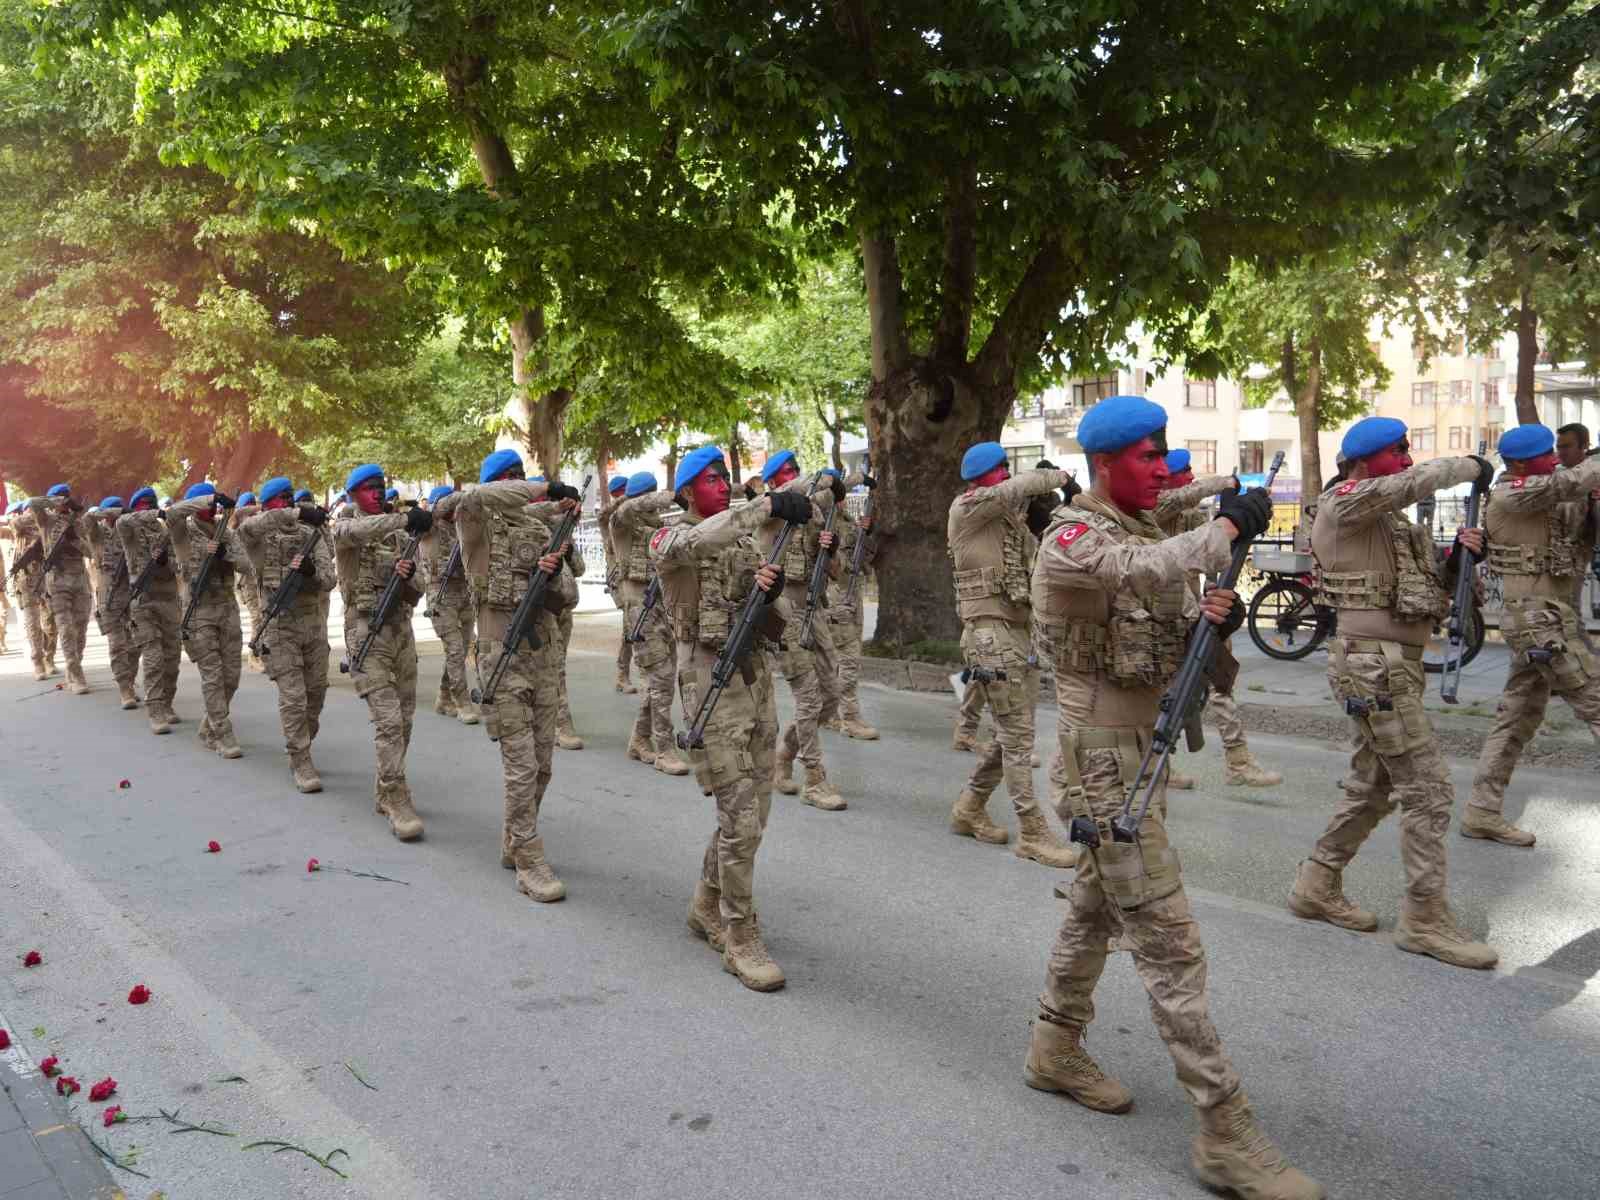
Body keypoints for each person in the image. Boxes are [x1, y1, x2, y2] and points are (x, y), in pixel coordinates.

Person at [1026, 394, 1321, 1200]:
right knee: (1169, 942)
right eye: (1147, 459)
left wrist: (1215, 623)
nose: (1161, 471)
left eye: (1165, 457)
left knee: (1094, 910)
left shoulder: (1148, 531)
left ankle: (1053, 1048)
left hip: (1135, 753)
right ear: (1105, 463)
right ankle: (1226, 1131)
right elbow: (1134, 572)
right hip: (1101, 765)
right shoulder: (1074, 534)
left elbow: (1166, 612)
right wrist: (1225, 529)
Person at [1286, 416, 1498, 970]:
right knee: (1427, 790)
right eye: (1397, 450)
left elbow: (1429, 591)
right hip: (1372, 666)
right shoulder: (1345, 503)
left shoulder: (1396, 526)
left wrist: (1459, 559)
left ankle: (1316, 883)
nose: (1406, 459)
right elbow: (1412, 482)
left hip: (1396, 667)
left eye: (1409, 450)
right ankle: (1425, 919)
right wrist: (1468, 468)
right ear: (1362, 461)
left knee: (1373, 786)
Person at [650, 445, 802, 990]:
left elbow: (771, 621)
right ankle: (740, 936)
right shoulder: (669, 539)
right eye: (712, 478)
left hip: (754, 679)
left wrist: (770, 596)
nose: (723, 483)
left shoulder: (739, 542)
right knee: (738, 816)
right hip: (709, 685)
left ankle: (705, 904)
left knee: (755, 812)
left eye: (726, 477)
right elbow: (700, 539)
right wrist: (767, 506)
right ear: (688, 490)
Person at [448, 450, 580, 900]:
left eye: (521, 477)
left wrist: (553, 575)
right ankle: (528, 857)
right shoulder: (475, 520)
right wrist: (544, 488)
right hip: (499, 650)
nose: (518, 484)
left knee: (542, 763)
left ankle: (514, 836)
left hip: (542, 652)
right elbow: (478, 495)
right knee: (521, 765)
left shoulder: (541, 529)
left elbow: (569, 596)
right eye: (511, 479)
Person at [1465, 424, 1600, 846]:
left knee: (1516, 718)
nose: (1555, 460)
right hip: (1539, 622)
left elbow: (1583, 525)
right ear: (1520, 463)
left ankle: (1482, 811)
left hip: (1555, 618)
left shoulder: (1549, 491)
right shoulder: (1513, 493)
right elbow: (1575, 478)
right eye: (1547, 455)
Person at [946, 444, 1075, 866]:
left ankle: (969, 808)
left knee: (1011, 735)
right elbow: (1018, 488)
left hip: (1019, 634)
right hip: (989, 637)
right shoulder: (968, 508)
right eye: (1000, 469)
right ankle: (1033, 833)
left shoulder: (1008, 521)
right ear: (980, 476)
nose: (1005, 475)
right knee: (1018, 739)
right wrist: (1060, 475)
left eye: (1007, 468)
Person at [1155, 449, 1282, 788]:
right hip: (1161, 619)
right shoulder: (1155, 508)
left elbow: (1213, 557)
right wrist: (1226, 482)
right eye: (1183, 472)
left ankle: (1237, 760)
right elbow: (1179, 496)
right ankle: (1158, 765)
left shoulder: (1188, 515)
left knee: (1219, 682)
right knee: (1163, 694)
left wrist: (1232, 521)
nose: (1190, 478)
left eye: (1190, 471)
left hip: (1197, 612)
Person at [334, 463, 429, 841]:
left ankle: (384, 786)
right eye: (368, 488)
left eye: (380, 487)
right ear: (353, 494)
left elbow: (419, 587)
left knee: (405, 719)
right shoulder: (344, 526)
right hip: (366, 632)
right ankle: (396, 798)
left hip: (401, 630)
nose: (377, 493)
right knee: (388, 721)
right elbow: (356, 533)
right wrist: (403, 521)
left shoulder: (397, 534)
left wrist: (407, 578)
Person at [235, 478, 337, 793]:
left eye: (290, 498)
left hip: (313, 624)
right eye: (281, 499)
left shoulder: (312, 535)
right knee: (293, 696)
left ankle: (300, 740)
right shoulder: (258, 534)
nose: (288, 503)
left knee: (316, 694)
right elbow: (245, 528)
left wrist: (311, 573)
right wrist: (295, 513)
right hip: (279, 626)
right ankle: (301, 758)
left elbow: (330, 580)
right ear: (267, 505)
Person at [763, 451, 848, 811]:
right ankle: (814, 777)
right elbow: (797, 492)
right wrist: (820, 480)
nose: (792, 478)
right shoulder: (767, 511)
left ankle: (785, 752)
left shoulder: (814, 518)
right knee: (809, 697)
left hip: (814, 608)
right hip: (782, 612)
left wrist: (831, 550)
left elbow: (837, 572)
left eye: (795, 472)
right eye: (785, 474)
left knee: (832, 692)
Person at [610, 471, 688, 774]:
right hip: (638, 605)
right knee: (661, 677)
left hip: (663, 604)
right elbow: (629, 508)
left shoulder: (660, 527)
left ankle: (640, 740)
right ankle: (663, 750)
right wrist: (671, 495)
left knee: (662, 678)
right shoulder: (622, 521)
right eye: (650, 496)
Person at [166, 483, 245, 759]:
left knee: (231, 676)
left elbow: (248, 566)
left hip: (227, 608)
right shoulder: (183, 533)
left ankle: (209, 724)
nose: (211, 508)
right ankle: (222, 734)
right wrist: (208, 498)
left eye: (213, 503)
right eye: (205, 503)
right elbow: (172, 512)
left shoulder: (227, 533)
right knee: (212, 676)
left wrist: (227, 554)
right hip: (199, 612)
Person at [117, 486, 184, 732]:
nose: (147, 509)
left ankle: (167, 703)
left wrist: (167, 562)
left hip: (168, 600)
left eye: (150, 504)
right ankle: (155, 710)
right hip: (143, 602)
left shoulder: (166, 532)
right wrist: (152, 514)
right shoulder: (129, 530)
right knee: (154, 657)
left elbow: (180, 565)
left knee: (172, 657)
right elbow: (123, 520)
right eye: (143, 506)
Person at [822, 482, 879, 740]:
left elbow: (866, 558)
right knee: (848, 658)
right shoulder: (824, 523)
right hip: (837, 596)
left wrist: (866, 532)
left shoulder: (845, 520)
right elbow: (832, 565)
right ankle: (850, 718)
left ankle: (831, 713)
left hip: (852, 594)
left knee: (843, 656)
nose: (843, 500)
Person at [26, 486, 94, 694]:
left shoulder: (78, 522)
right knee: (66, 629)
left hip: (80, 581)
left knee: (80, 630)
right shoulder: (46, 520)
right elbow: (33, 503)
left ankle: (74, 667)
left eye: (66, 499)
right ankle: (76, 674)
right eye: (60, 499)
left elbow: (91, 552)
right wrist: (56, 501)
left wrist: (74, 539)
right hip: (57, 583)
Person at [421, 482, 479, 725]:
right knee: (455, 650)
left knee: (461, 649)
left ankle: (444, 697)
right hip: (440, 594)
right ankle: (461, 701)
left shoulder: (461, 526)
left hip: (464, 592)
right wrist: (459, 495)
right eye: (448, 504)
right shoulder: (429, 526)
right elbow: (436, 511)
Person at [3, 501, 59, 679]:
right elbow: (13, 523)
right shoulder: (18, 527)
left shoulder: (47, 522)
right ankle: (38, 662)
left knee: (50, 621)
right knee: (32, 623)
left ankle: (49, 657)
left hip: (48, 577)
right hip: (26, 580)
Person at [1554, 423, 1600, 621]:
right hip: (1557, 551)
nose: (1561, 452)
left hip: (1582, 547)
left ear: (1584, 446)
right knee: (1564, 608)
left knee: (1568, 609)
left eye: (1567, 446)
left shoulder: (1594, 473)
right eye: (1559, 446)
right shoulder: (1555, 475)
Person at [598, 474, 638, 694]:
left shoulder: (634, 514)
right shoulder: (610, 517)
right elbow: (603, 514)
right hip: (618, 578)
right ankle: (622, 674)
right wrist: (625, 499)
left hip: (634, 576)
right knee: (630, 625)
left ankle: (625, 674)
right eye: (622, 492)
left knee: (636, 625)